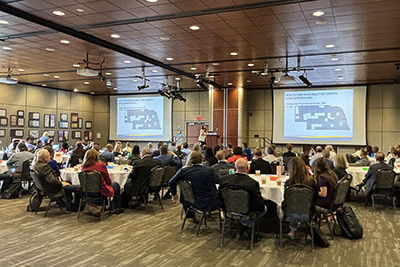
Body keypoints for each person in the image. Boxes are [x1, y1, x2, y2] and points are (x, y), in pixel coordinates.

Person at [169, 151, 221, 223]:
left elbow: (171, 182)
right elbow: (221, 181)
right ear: (202, 160)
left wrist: (174, 194)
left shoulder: (183, 171)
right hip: (210, 202)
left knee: (184, 188)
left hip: (191, 202)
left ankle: (190, 216)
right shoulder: (210, 171)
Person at [219, 158, 266, 230]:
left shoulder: (224, 180)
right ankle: (248, 224)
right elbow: (259, 205)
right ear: (247, 168)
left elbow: (219, 197)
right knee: (265, 208)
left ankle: (240, 222)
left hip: (228, 210)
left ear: (235, 168)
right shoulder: (252, 183)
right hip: (247, 212)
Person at [80, 149, 123, 214]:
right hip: (100, 191)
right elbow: (108, 181)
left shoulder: (83, 167)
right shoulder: (101, 165)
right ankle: (117, 208)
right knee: (116, 185)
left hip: (86, 191)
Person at [284, 157, 318, 239]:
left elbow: (286, 199)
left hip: (290, 213)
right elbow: (316, 198)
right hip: (308, 213)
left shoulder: (289, 183)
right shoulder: (311, 182)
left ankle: (292, 230)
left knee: (289, 205)